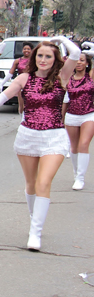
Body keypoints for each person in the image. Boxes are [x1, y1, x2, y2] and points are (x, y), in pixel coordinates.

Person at [0, 37, 79, 250]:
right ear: (34, 57)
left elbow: (77, 54)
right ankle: (35, 217)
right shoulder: (25, 78)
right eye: (40, 55)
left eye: (48, 56)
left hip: (54, 137)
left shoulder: (62, 76)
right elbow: (1, 98)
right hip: (28, 136)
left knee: (44, 183)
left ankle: (36, 231)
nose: (43, 60)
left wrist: (60, 39)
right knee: (32, 184)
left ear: (56, 59)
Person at [64, 44, 94, 190]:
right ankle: (76, 174)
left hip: (89, 114)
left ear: (87, 63)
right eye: (77, 60)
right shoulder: (67, 78)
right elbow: (64, 100)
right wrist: (61, 117)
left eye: (83, 60)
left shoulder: (91, 77)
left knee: (83, 145)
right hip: (72, 115)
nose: (80, 63)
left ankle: (81, 178)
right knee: (74, 147)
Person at [0, 42, 34, 117]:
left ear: (31, 50)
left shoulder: (35, 61)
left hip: (32, 85)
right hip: (21, 85)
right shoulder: (18, 61)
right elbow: (10, 73)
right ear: (22, 50)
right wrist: (2, 83)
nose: (26, 50)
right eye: (25, 49)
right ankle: (22, 120)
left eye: (28, 49)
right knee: (21, 105)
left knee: (30, 105)